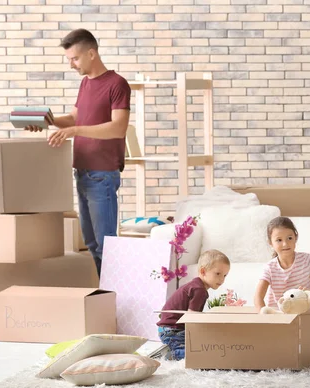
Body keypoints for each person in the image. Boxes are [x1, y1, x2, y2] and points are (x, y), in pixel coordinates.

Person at [25, 29, 131, 277]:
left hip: (102, 175)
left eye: (74, 58)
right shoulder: (85, 83)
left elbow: (118, 127)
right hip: (83, 173)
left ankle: (118, 301)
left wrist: (74, 130)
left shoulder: (117, 84)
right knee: (92, 245)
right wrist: (47, 121)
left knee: (107, 247)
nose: (71, 64)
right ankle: (105, 299)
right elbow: (74, 117)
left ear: (91, 53)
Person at [254, 217, 310, 360]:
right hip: (282, 320)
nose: (285, 243)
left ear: (295, 237)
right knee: (281, 356)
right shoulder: (270, 268)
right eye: (279, 240)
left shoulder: (308, 260)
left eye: (289, 238)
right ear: (271, 243)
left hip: (309, 320)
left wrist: (309, 293)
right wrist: (263, 318)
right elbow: (258, 297)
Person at [156, 249, 231, 360]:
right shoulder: (199, 290)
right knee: (197, 353)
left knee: (200, 345)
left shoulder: (196, 286)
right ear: (203, 271)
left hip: (168, 329)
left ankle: (172, 348)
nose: (222, 279)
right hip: (173, 330)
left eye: (225, 275)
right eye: (218, 273)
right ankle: (168, 355)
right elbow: (192, 319)